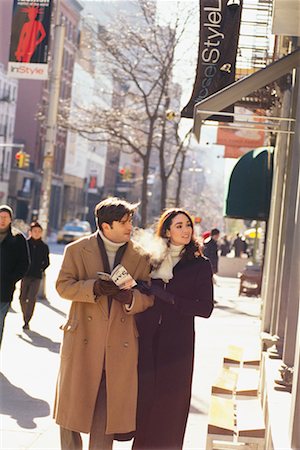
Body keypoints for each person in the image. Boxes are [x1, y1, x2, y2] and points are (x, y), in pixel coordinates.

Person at [53, 197, 154, 450]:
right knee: (70, 413)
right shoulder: (76, 250)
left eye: (130, 220)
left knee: (107, 413)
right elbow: (62, 286)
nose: (130, 226)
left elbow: (150, 295)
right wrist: (94, 288)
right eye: (123, 222)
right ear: (106, 226)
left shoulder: (140, 255)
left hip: (119, 343)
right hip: (82, 340)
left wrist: (131, 298)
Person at [132, 208, 214, 450]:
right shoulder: (151, 259)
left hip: (178, 345)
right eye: (178, 226)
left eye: (188, 225)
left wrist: (168, 297)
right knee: (145, 402)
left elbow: (206, 308)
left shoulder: (199, 265)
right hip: (147, 339)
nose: (186, 230)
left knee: (171, 405)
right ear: (167, 230)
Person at [0, 204, 29, 347]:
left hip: (4, 291)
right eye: (0, 217)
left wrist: (10, 280)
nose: (2, 220)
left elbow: (24, 264)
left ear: (11, 219)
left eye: (5, 217)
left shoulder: (18, 239)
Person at [19, 221, 50, 330]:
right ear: (30, 232)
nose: (37, 233)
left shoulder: (44, 246)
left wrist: (41, 269)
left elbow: (47, 262)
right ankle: (24, 315)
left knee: (32, 298)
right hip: (25, 275)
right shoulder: (25, 244)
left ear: (41, 233)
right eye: (34, 231)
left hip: (36, 277)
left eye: (39, 231)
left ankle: (27, 320)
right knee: (22, 298)